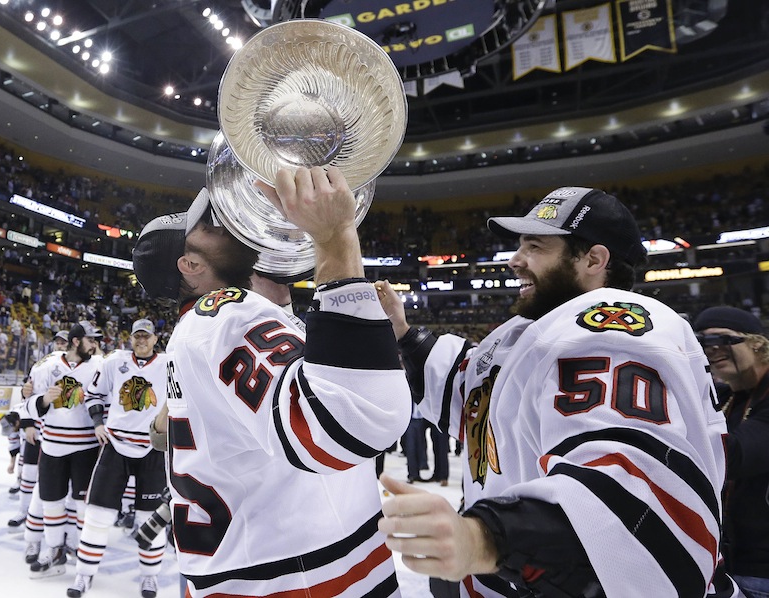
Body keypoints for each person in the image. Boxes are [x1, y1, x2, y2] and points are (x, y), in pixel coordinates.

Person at [375, 186, 733, 597]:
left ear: (594, 260)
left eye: (535, 246)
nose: (515, 260)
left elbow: (624, 484)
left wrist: (486, 539)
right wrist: (403, 333)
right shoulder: (530, 329)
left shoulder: (610, 326)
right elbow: (471, 395)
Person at [131, 172, 411, 597]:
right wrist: (335, 239)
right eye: (210, 226)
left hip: (261, 569)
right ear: (191, 266)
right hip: (304, 575)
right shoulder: (222, 311)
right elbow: (353, 421)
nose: (229, 219)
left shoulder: (197, 329)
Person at [66, 318, 168, 598]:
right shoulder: (114, 362)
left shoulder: (170, 364)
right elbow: (94, 395)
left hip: (153, 449)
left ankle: (149, 577)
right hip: (116, 444)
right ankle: (83, 575)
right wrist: (98, 422)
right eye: (137, 336)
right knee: (97, 516)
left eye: (146, 336)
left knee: (151, 520)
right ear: (131, 338)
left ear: (156, 338)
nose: (141, 340)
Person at [694, 306, 769, 598]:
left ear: (757, 343)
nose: (712, 350)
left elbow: (733, 457)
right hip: (733, 563)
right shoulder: (729, 397)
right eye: (703, 343)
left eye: (723, 340)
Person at [24, 321, 104, 578]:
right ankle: (55, 550)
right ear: (77, 341)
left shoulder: (100, 366)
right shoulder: (48, 365)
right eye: (90, 340)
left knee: (82, 504)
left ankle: (80, 548)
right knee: (51, 502)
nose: (95, 345)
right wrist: (44, 399)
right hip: (53, 445)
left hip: (86, 447)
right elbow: (28, 400)